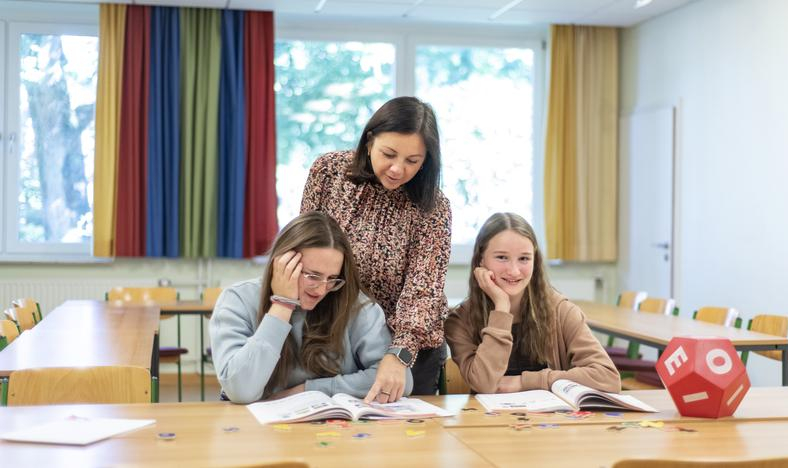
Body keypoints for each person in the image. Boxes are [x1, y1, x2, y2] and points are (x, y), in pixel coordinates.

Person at [300, 96, 451, 402]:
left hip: (406, 350)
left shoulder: (434, 207)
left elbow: (423, 290)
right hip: (334, 338)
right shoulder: (328, 173)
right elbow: (303, 248)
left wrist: (398, 354)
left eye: (413, 161)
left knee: (405, 443)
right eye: (389, 154)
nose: (397, 169)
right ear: (369, 141)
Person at [210, 211, 413, 404]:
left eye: (332, 278)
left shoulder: (354, 305)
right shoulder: (238, 300)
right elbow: (240, 390)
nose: (322, 289)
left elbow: (399, 381)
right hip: (255, 431)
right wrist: (282, 305)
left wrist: (310, 390)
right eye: (313, 276)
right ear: (282, 263)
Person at [444, 213, 620, 394]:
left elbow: (608, 377)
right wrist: (502, 308)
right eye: (502, 257)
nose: (513, 271)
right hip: (490, 419)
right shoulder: (460, 321)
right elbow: (484, 384)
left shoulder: (561, 311)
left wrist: (525, 382)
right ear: (481, 259)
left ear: (535, 262)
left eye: (524, 258)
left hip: (553, 419)